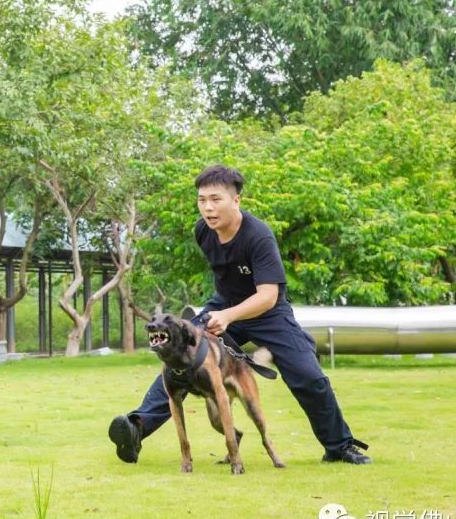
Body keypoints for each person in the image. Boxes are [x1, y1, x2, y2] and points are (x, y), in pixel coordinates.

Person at [109, 165, 372, 465]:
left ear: (236, 201)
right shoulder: (203, 232)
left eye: (216, 199)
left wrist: (230, 316)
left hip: (268, 314)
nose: (208, 208)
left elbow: (268, 295)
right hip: (222, 306)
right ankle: (136, 427)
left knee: (308, 375)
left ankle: (338, 446)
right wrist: (219, 316)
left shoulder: (258, 236)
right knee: (181, 355)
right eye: (201, 199)